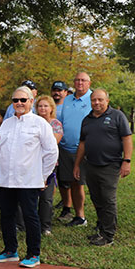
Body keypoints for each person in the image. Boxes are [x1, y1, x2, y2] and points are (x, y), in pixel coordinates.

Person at [0, 86, 59, 268]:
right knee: (7, 216)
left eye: (23, 100)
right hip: (5, 179)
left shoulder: (39, 123)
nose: (19, 103)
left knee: (30, 216)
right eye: (15, 100)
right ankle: (10, 251)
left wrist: (43, 175)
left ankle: (33, 254)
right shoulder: (6, 124)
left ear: (31, 101)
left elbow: (52, 152)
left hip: (29, 180)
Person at [74, 89, 133, 246]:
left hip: (110, 165)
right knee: (97, 199)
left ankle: (108, 236)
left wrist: (126, 161)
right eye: (94, 100)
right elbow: (82, 144)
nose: (97, 103)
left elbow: (126, 138)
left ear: (107, 100)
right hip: (91, 165)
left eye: (100, 99)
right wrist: (77, 164)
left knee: (108, 200)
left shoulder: (117, 116)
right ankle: (101, 229)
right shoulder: (87, 119)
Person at [56, 71, 92, 227]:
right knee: (67, 181)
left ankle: (81, 216)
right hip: (65, 148)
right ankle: (71, 212)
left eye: (83, 80)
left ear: (89, 83)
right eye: (77, 80)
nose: (80, 83)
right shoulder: (68, 99)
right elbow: (62, 122)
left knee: (79, 183)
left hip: (84, 149)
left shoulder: (93, 99)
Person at [34, 95, 63, 235]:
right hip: (31, 164)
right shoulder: (32, 122)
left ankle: (45, 226)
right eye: (40, 106)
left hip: (48, 164)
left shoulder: (56, 124)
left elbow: (52, 144)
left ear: (51, 108)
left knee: (46, 197)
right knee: (30, 196)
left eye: (46, 106)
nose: (43, 108)